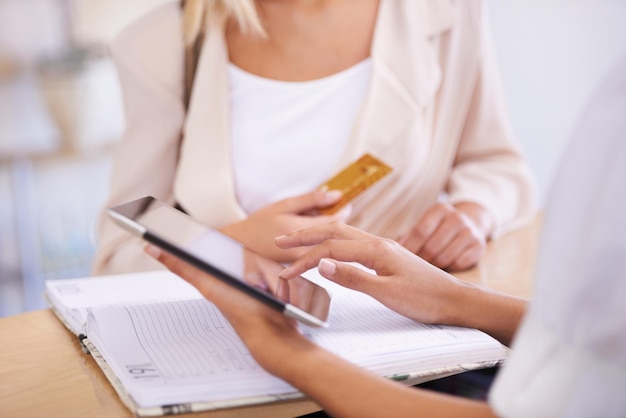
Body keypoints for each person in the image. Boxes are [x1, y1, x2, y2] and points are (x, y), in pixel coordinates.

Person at [144, 53, 626, 416]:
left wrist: (284, 351)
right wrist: (457, 299)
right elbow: (125, 240)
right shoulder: (162, 39)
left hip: (405, 367)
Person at [93, 0, 535, 276]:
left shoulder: (444, 9)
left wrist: (474, 215)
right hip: (238, 358)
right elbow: (121, 251)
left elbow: (493, 163)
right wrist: (232, 243)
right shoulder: (160, 43)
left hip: (413, 354)